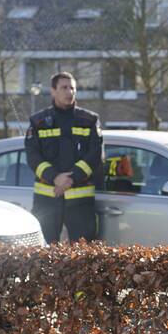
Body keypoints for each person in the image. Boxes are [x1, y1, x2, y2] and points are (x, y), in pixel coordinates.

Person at [25, 72, 103, 243]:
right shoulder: (38, 122)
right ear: (53, 91)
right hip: (47, 201)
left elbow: (95, 155)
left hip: (80, 202)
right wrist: (55, 177)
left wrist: (70, 179)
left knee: (84, 255)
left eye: (72, 88)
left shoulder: (89, 120)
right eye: (64, 88)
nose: (70, 92)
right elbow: (32, 156)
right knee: (43, 253)